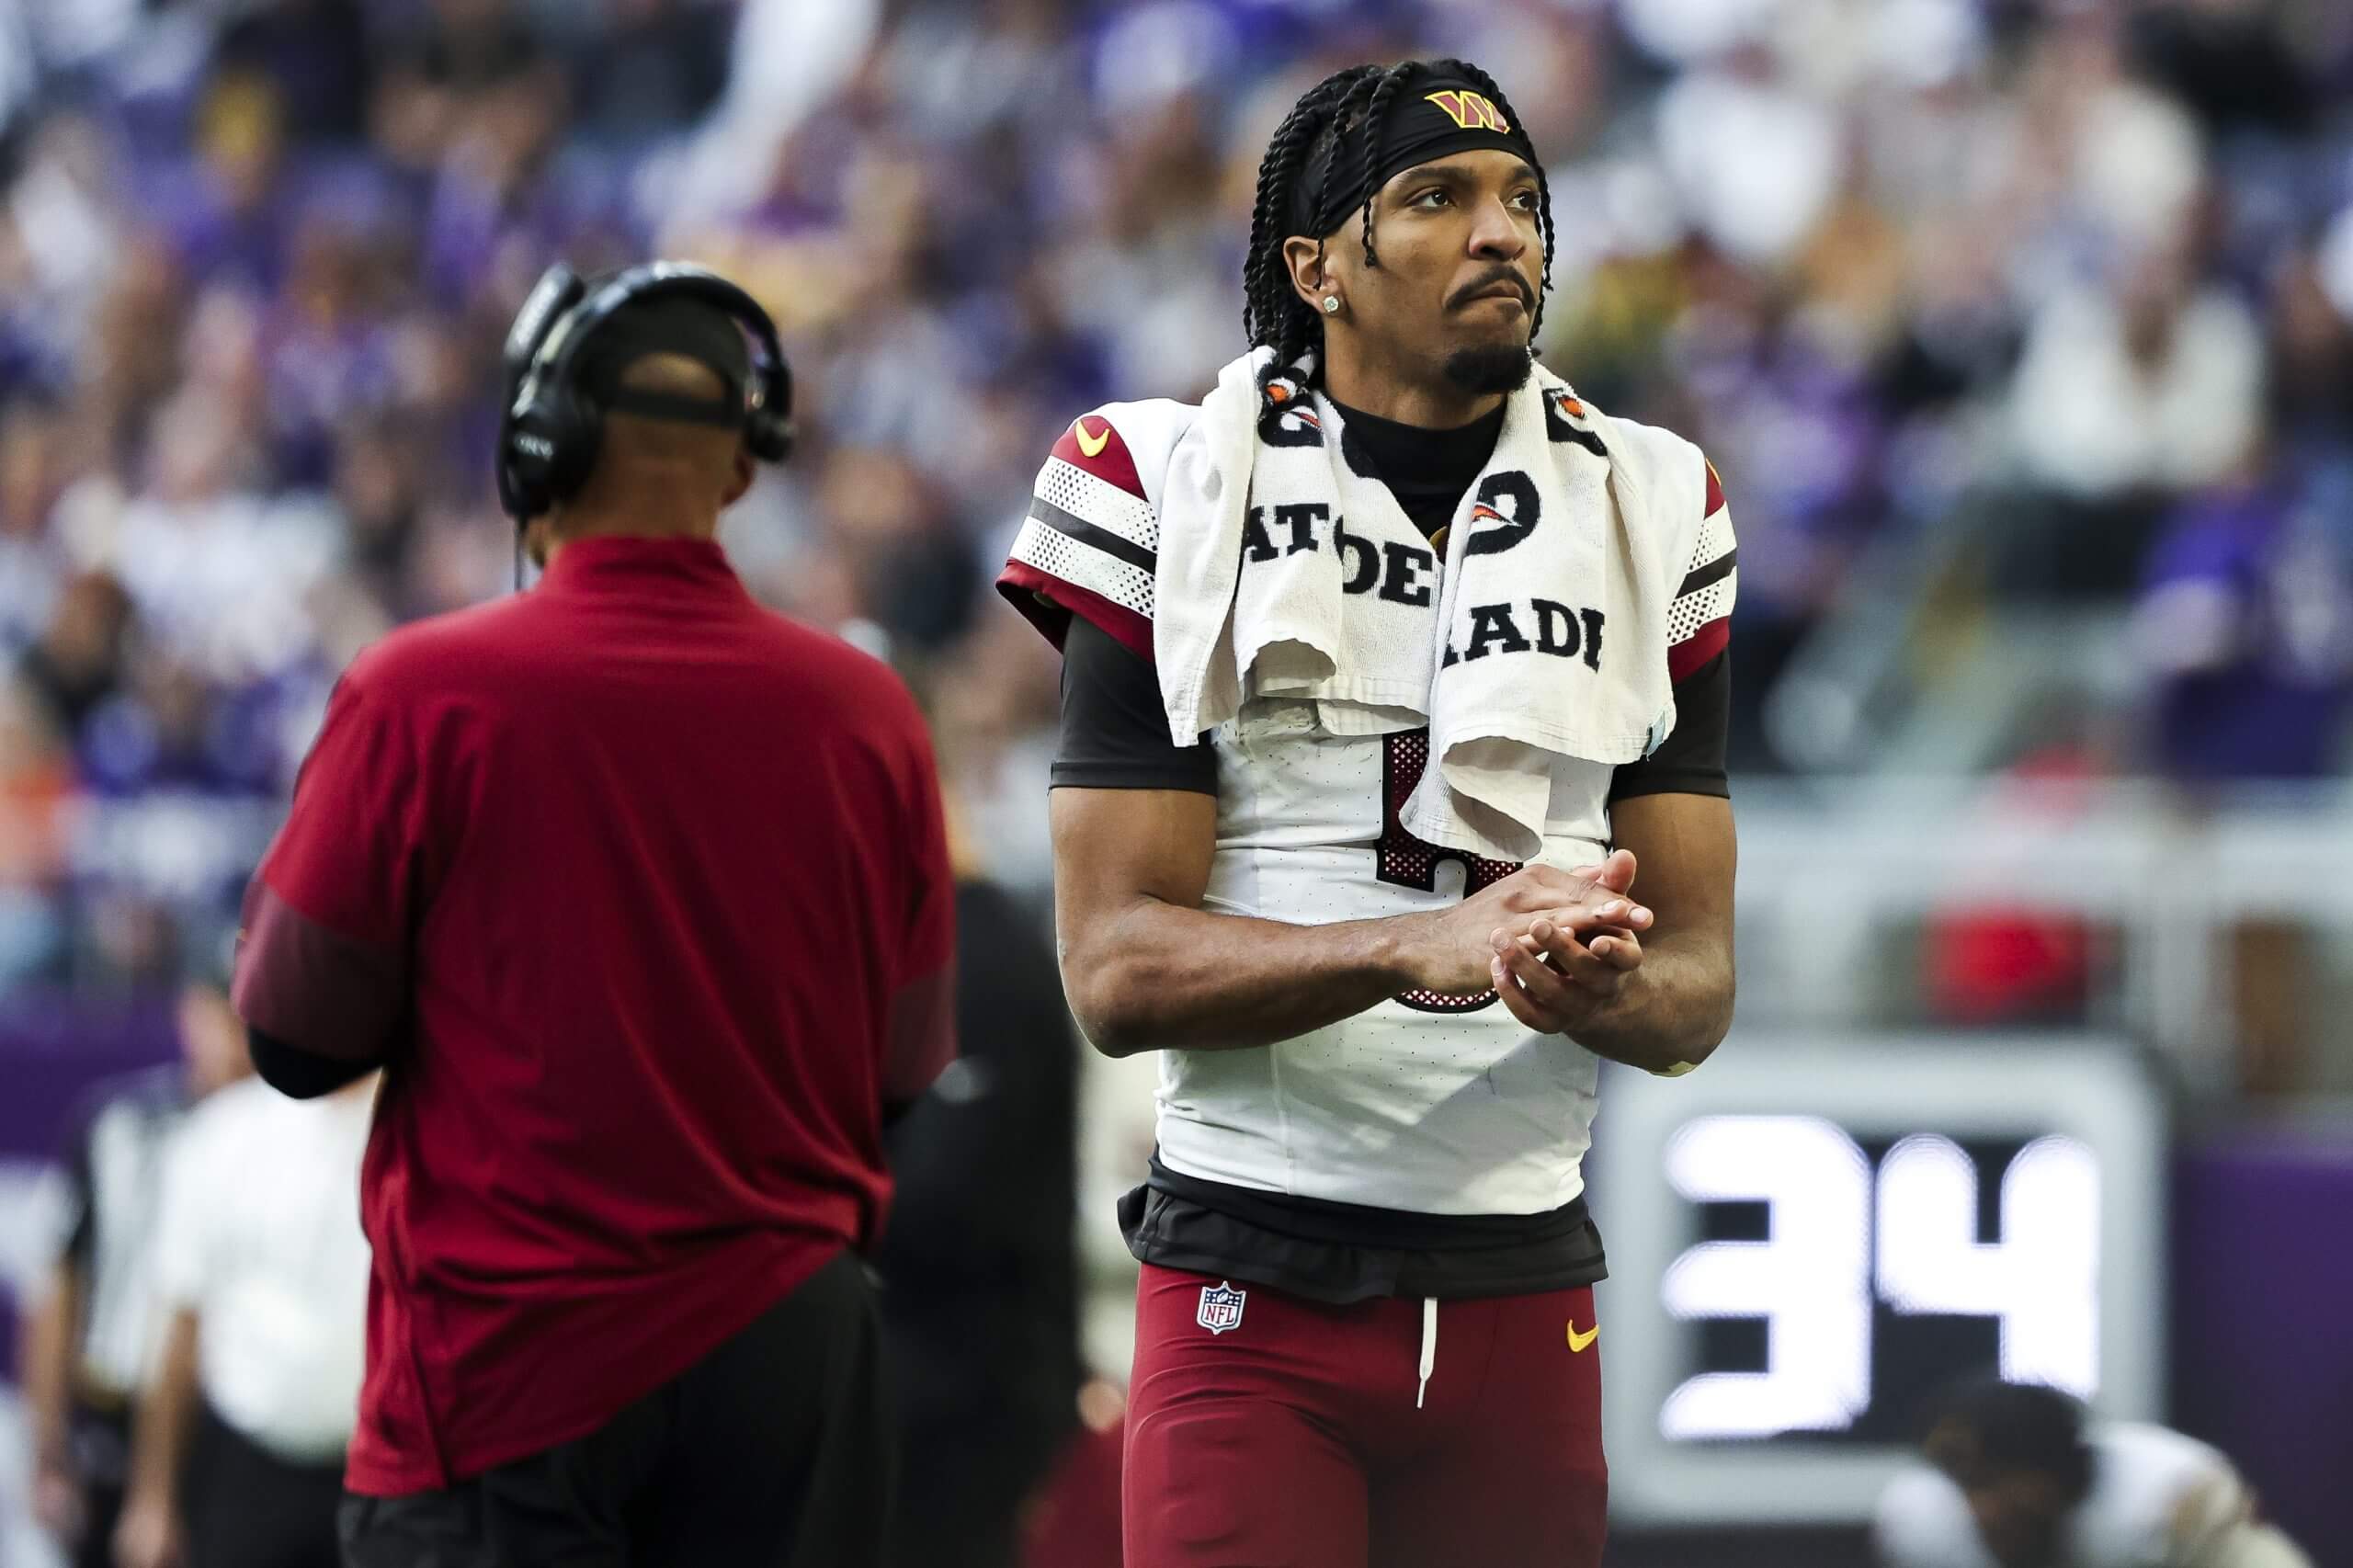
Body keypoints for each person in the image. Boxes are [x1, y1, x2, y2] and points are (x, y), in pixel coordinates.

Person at [996, 58, 1739, 1568]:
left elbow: (1696, 993)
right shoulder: (1166, 481)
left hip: (1528, 1277)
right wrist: (1412, 945)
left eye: (1522, 198)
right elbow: (1116, 971)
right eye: (1437, 197)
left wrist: (1588, 983)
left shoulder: (1652, 502)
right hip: (1253, 1273)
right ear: (1315, 266)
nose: (1502, 231)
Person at [228, 262, 957, 1567]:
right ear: (743, 466)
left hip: (509, 1371)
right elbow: (903, 1070)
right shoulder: (871, 717)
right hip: (789, 1380)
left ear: (537, 452)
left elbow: (291, 1034)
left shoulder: (421, 694)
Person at [19, 943, 248, 1568]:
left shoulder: (287, 1136)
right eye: (221, 1013)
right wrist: (48, 1448)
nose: (233, 1039)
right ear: (190, 1012)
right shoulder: (116, 1123)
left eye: (248, 1017)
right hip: (113, 1409)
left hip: (231, 1433)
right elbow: (61, 1283)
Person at [112, 1071, 374, 1568]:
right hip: (245, 1470)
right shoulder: (223, 1132)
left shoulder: (419, 1125)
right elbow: (179, 1326)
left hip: (380, 1474)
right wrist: (151, 1498)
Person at [1874, 1378, 2313, 1568]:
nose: (1982, 1511)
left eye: (1998, 1481)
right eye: (1966, 1484)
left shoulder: (2175, 1499)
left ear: (2060, 1470)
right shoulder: (1923, 1526)